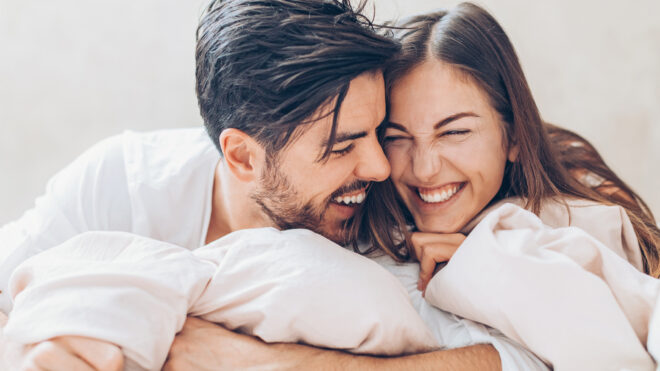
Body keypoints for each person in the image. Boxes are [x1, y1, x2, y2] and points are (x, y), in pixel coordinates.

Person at [0, 0, 526, 370]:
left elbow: (527, 359)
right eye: (342, 146)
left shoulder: (393, 220)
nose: (381, 167)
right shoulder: (124, 184)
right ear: (242, 156)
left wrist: (271, 365)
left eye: (377, 132)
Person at [346, 2, 660, 369]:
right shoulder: (363, 209)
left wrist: (485, 258)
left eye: (455, 132)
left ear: (513, 136)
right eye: (396, 136)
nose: (425, 169)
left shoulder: (585, 217)